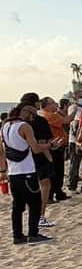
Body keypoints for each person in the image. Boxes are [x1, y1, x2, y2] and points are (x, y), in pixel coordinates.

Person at [1, 104, 53, 243]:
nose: (33, 118)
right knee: (35, 203)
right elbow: (35, 148)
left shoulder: (5, 126)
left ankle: (17, 235)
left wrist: (2, 170)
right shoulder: (25, 126)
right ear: (25, 113)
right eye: (33, 115)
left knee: (17, 206)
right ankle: (33, 233)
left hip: (13, 172)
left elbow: (3, 151)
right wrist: (49, 146)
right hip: (27, 171)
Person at [20, 93, 58, 228]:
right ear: (35, 104)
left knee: (29, 188)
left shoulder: (15, 121)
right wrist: (50, 154)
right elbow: (44, 141)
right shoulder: (39, 121)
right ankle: (40, 215)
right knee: (44, 185)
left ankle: (33, 216)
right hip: (38, 155)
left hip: (20, 159)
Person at [39, 97, 69, 202]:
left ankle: (58, 192)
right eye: (52, 103)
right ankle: (51, 194)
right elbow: (66, 120)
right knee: (55, 171)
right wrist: (74, 111)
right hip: (53, 146)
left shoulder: (49, 114)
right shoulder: (49, 115)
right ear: (46, 105)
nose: (55, 104)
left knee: (58, 170)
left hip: (57, 145)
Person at [66, 91, 82, 193]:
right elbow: (75, 123)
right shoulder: (73, 108)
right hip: (74, 140)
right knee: (75, 163)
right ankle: (72, 184)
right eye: (80, 97)